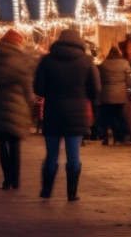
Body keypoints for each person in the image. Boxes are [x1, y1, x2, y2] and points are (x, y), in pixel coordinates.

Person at [33, 28, 100, 201]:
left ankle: (47, 190)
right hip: (76, 114)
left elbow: (38, 87)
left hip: (53, 112)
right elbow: (96, 88)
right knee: (73, 155)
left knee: (52, 155)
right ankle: (72, 193)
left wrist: (52, 92)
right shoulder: (87, 61)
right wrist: (83, 96)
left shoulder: (47, 61)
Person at [0, 30, 35, 190]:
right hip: (17, 105)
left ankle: (6, 180)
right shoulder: (21, 59)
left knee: (2, 144)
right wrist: (29, 102)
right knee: (15, 144)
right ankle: (16, 181)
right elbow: (26, 85)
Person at [96, 46, 131, 145]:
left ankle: (105, 137)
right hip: (120, 95)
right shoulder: (124, 63)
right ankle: (119, 137)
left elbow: (100, 78)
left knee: (107, 116)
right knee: (118, 115)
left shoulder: (104, 64)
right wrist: (129, 88)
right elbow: (129, 78)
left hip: (106, 94)